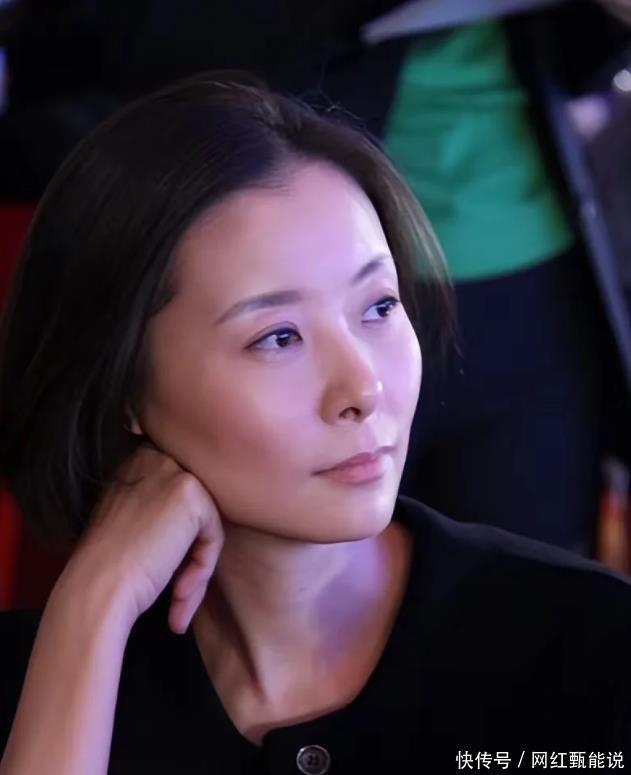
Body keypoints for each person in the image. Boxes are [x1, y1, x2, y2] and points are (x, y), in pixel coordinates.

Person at [0, 74, 630, 775]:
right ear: (122, 386)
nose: (363, 387)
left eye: (379, 306)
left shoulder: (590, 649)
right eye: (278, 337)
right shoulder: (53, 679)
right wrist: (93, 604)